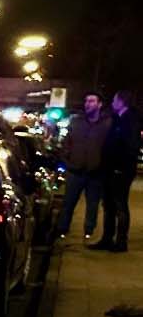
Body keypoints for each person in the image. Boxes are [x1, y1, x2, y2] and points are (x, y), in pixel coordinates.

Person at [57, 91, 110, 241]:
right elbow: (66, 142)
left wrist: (103, 165)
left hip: (95, 172)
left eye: (92, 101)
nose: (88, 104)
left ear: (99, 104)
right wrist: (67, 160)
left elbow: (110, 146)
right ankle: (62, 230)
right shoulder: (76, 121)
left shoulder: (107, 124)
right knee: (68, 202)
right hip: (75, 170)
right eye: (87, 101)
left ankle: (89, 231)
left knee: (92, 205)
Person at [92, 89, 140, 253]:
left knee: (119, 204)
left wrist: (120, 167)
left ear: (121, 102)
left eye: (114, 100)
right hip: (111, 170)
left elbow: (130, 147)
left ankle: (120, 241)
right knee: (109, 205)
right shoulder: (118, 119)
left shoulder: (130, 121)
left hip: (120, 171)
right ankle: (107, 238)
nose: (112, 104)